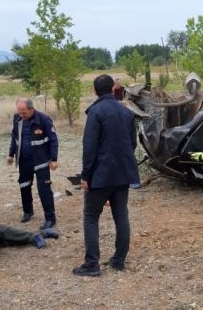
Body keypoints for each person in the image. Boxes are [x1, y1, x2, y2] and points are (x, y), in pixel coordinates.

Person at [73, 74, 139, 277]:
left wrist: (86, 175)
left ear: (95, 91)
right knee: (121, 216)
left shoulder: (95, 112)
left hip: (100, 176)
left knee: (91, 217)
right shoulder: (126, 112)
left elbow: (89, 146)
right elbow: (132, 143)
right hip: (123, 173)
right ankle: (119, 260)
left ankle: (92, 264)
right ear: (112, 89)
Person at [7, 97, 59, 229]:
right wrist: (11, 154)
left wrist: (54, 159)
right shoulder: (17, 119)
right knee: (24, 186)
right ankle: (28, 211)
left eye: (23, 112)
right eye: (19, 112)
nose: (21, 115)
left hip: (41, 161)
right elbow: (15, 138)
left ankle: (50, 218)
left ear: (31, 109)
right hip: (24, 161)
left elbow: (53, 140)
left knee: (44, 190)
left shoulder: (44, 119)